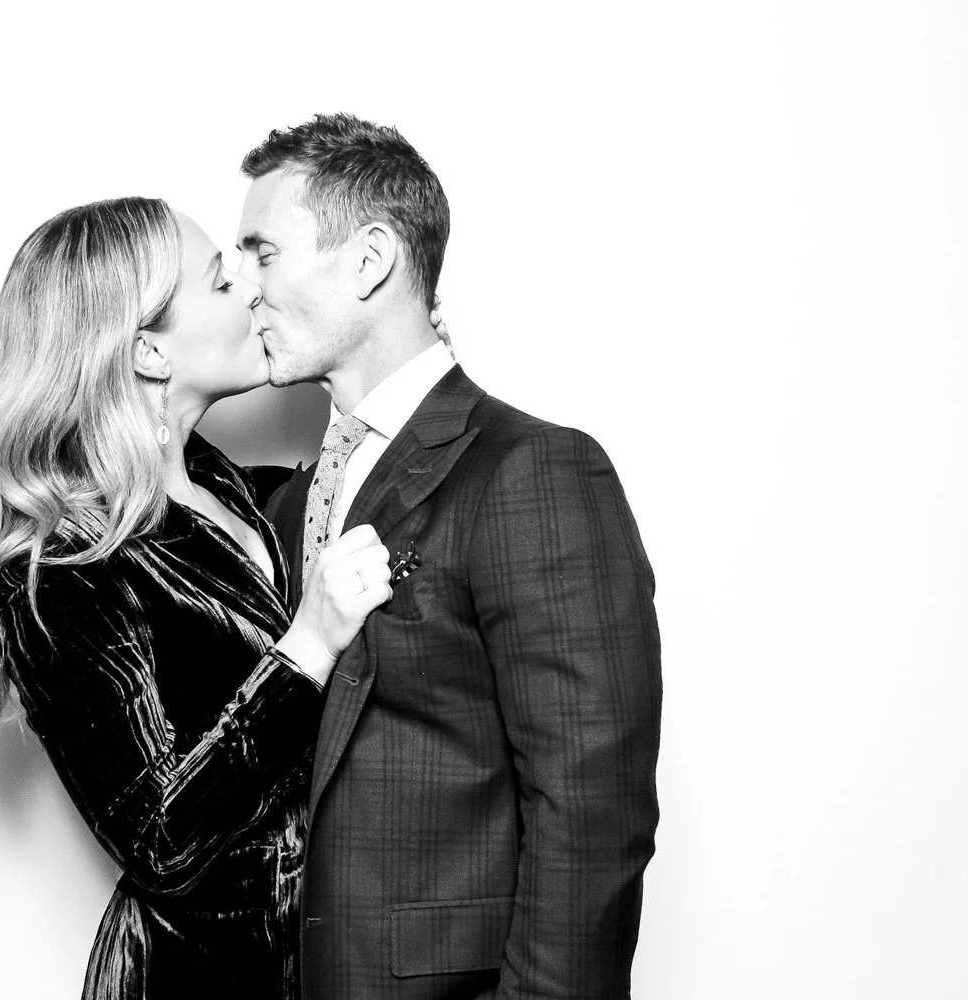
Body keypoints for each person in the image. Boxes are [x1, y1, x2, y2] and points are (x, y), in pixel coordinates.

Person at [236, 114, 663, 999]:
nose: (248, 289)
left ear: (370, 260)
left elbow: (592, 813)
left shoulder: (532, 470)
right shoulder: (286, 504)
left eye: (265, 253)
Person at [0, 196, 398, 999]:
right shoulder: (57, 570)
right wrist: (308, 648)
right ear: (148, 349)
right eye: (220, 283)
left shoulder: (236, 488)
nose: (251, 292)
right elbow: (159, 839)